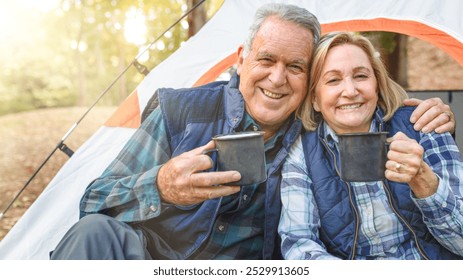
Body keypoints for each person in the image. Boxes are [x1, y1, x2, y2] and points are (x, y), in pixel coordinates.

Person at [50, 4, 455, 260]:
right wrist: (161, 185)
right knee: (94, 233)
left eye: (295, 66)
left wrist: (407, 106)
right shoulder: (181, 110)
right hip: (153, 258)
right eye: (265, 59)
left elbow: (352, 106)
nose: (277, 79)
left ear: (308, 87)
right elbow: (95, 199)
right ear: (242, 60)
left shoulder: (308, 133)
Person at [278, 31, 463, 260]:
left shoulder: (422, 123)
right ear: (315, 98)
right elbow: (300, 245)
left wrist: (424, 182)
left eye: (361, 76)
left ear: (377, 84)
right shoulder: (302, 152)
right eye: (333, 80)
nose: (350, 91)